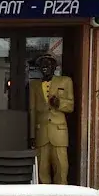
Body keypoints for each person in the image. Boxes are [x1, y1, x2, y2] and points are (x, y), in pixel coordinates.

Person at [28, 55, 74, 185]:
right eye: (42, 65)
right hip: (41, 131)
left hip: (59, 131)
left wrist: (59, 103)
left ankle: (62, 192)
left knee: (61, 166)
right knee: (42, 168)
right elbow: (32, 110)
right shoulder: (34, 85)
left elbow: (71, 106)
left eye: (48, 64)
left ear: (54, 67)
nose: (45, 67)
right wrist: (32, 135)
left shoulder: (65, 81)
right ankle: (44, 194)